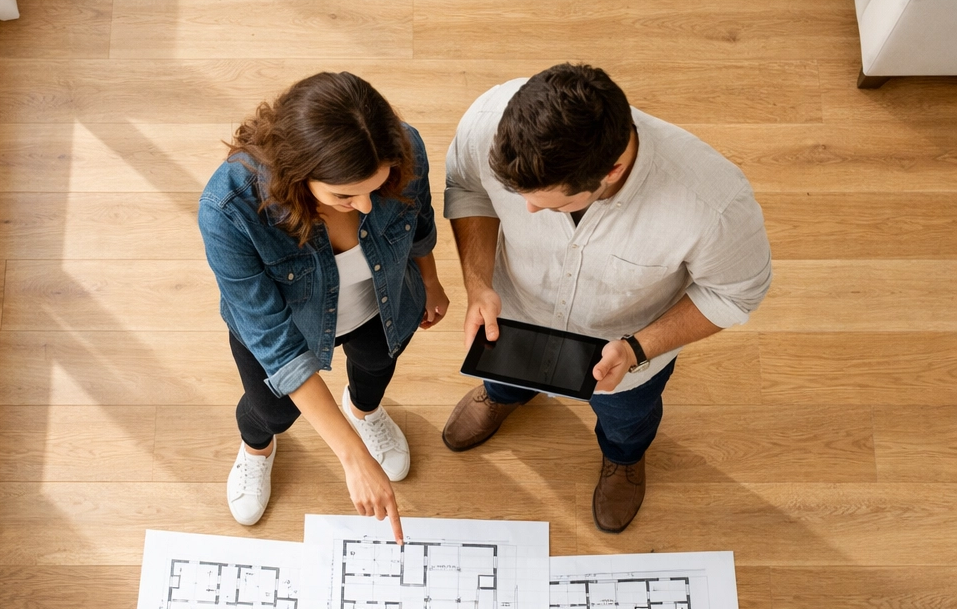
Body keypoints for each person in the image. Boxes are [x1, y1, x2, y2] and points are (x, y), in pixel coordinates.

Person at [442, 63, 771, 532]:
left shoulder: (714, 206)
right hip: (514, 318)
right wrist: (477, 283)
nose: (527, 210)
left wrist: (638, 348)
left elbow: (735, 295)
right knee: (504, 376)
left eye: (550, 204)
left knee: (626, 420)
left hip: (625, 355)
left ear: (612, 171)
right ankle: (503, 396)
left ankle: (623, 457)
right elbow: (470, 190)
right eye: (519, 196)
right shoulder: (487, 122)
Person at [199, 72, 449, 541]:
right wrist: (352, 458)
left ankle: (364, 411)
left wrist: (431, 283)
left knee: (376, 365)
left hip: (384, 302)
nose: (368, 207)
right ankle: (257, 449)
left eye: (377, 187)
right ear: (297, 173)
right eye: (345, 195)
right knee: (271, 410)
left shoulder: (404, 149)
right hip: (286, 328)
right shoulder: (228, 209)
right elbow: (274, 343)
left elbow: (419, 223)